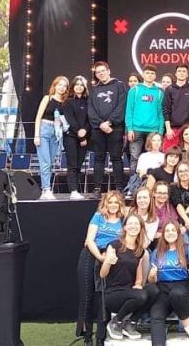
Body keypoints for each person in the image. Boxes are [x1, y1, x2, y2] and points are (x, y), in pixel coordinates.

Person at [148, 221, 189, 344]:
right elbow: (152, 281)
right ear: (163, 234)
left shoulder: (188, 249)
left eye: (173, 230)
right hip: (163, 288)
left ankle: (187, 325)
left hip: (185, 287)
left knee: (177, 293)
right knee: (156, 315)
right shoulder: (157, 252)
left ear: (178, 233)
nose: (170, 233)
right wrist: (151, 275)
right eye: (167, 231)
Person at [77, 191, 126, 343]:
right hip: (91, 255)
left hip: (110, 258)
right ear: (105, 203)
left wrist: (107, 258)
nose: (113, 205)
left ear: (120, 204)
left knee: (103, 299)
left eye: (116, 202)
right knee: (87, 296)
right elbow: (89, 240)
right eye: (110, 202)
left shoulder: (123, 220)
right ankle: (87, 335)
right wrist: (100, 256)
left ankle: (101, 337)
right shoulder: (98, 216)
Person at [99, 214, 157, 341]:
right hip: (113, 294)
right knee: (140, 295)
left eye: (136, 224)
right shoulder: (114, 245)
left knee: (153, 290)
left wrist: (138, 285)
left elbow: (138, 278)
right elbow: (102, 274)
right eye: (130, 223)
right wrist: (108, 262)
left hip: (129, 292)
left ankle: (130, 323)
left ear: (141, 227)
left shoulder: (140, 251)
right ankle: (116, 322)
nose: (133, 226)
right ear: (125, 227)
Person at [88, 62, 128, 192]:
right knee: (99, 159)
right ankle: (97, 188)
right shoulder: (94, 89)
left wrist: (110, 122)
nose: (101, 73)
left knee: (116, 158)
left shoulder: (119, 85)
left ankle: (119, 188)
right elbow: (91, 109)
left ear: (108, 71)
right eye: (98, 72)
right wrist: (100, 124)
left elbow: (122, 106)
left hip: (115, 128)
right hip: (98, 129)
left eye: (103, 71)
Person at [126, 65, 164, 179]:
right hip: (136, 129)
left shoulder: (159, 92)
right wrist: (129, 129)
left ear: (155, 76)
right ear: (143, 75)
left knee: (154, 158)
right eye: (147, 73)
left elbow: (161, 113)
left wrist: (160, 132)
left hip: (153, 130)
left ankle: (153, 184)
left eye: (152, 73)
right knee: (134, 159)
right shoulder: (135, 90)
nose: (150, 75)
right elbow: (129, 110)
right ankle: (133, 186)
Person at [34, 75, 68, 200]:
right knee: (45, 161)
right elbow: (38, 117)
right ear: (55, 86)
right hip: (44, 129)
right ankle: (46, 189)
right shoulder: (47, 98)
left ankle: (47, 188)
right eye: (60, 85)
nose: (62, 87)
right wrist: (36, 135)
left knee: (51, 161)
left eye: (64, 86)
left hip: (57, 132)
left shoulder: (65, 102)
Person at [63, 76, 91, 199]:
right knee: (72, 164)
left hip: (85, 137)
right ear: (73, 86)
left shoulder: (88, 101)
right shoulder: (68, 101)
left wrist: (85, 131)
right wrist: (80, 135)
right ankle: (73, 190)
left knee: (79, 164)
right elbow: (70, 120)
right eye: (77, 84)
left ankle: (77, 190)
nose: (79, 87)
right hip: (71, 136)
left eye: (81, 85)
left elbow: (90, 119)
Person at [162, 65, 189, 150]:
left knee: (188, 154)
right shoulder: (169, 89)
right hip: (173, 129)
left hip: (187, 129)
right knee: (170, 153)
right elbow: (166, 110)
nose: (181, 73)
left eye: (184, 71)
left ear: (187, 74)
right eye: (179, 71)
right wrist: (168, 129)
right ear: (176, 74)